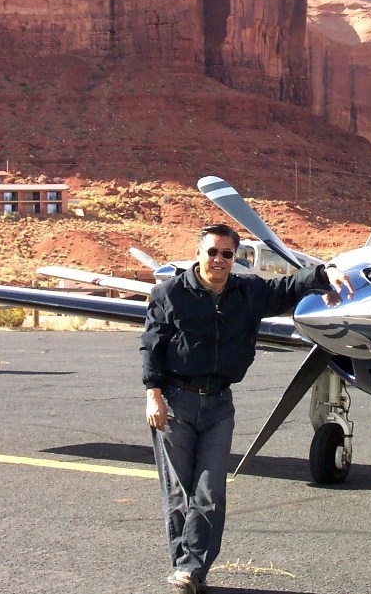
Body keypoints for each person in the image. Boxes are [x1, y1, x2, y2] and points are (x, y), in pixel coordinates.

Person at [141, 223, 354, 594]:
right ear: (198, 254)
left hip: (220, 403)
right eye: (212, 252)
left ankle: (191, 569)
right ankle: (186, 566)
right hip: (176, 401)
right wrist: (153, 394)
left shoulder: (249, 292)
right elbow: (151, 346)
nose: (219, 260)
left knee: (210, 492)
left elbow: (288, 287)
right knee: (179, 492)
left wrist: (326, 272)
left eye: (228, 254)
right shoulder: (168, 294)